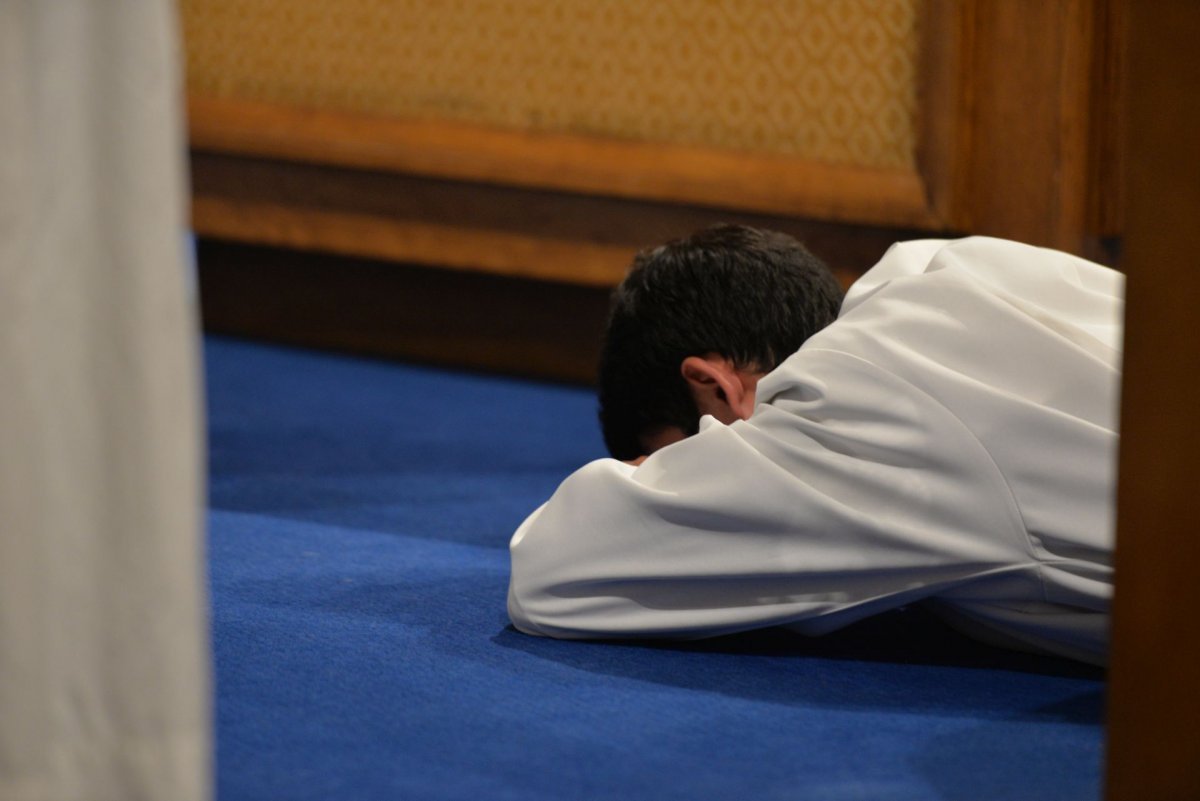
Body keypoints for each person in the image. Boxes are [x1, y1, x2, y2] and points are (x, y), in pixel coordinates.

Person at [508, 226, 1123, 665]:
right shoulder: (951, 263)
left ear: (713, 385)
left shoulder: (852, 412)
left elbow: (551, 578)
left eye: (677, 454)